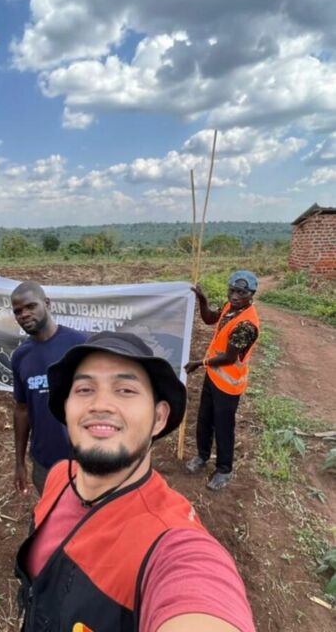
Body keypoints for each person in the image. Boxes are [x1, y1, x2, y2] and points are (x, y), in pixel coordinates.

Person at [15, 331, 255, 631]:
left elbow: (199, 598)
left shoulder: (174, 547)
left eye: (126, 390)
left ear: (159, 418)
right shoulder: (58, 477)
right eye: (84, 389)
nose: (100, 404)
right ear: (66, 408)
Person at [184, 270, 260, 491]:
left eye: (241, 293)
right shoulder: (230, 308)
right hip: (213, 377)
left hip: (229, 384)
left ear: (251, 294)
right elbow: (209, 319)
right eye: (233, 291)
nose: (235, 296)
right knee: (204, 418)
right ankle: (202, 456)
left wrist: (199, 363)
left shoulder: (246, 324)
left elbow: (228, 358)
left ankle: (224, 469)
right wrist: (202, 299)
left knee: (224, 426)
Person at [10, 281, 86, 495]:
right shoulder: (21, 356)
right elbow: (22, 409)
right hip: (45, 463)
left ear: (47, 304)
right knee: (55, 520)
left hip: (87, 460)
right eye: (18, 311)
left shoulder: (80, 345)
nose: (24, 314)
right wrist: (19, 463)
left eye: (30, 306)